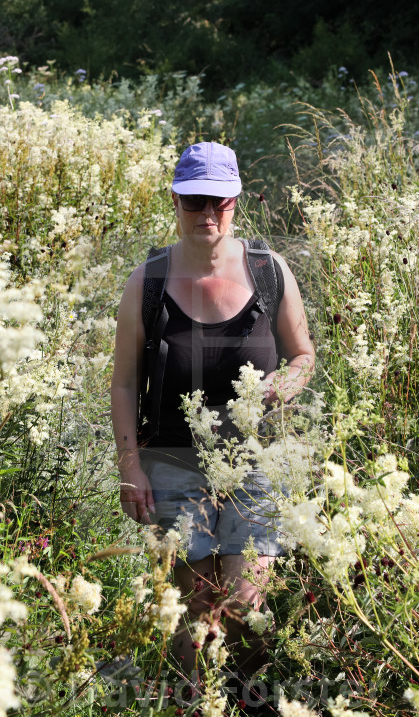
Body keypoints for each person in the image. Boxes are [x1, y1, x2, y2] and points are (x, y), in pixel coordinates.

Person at [110, 142, 314, 702]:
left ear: (235, 203)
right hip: (172, 464)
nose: (207, 214)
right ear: (174, 199)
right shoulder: (147, 282)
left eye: (220, 202)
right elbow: (125, 382)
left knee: (247, 609)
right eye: (195, 200)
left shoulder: (269, 271)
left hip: (257, 463)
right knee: (195, 617)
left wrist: (288, 382)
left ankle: (245, 702)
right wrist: (131, 467)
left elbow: (303, 354)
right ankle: (194, 706)